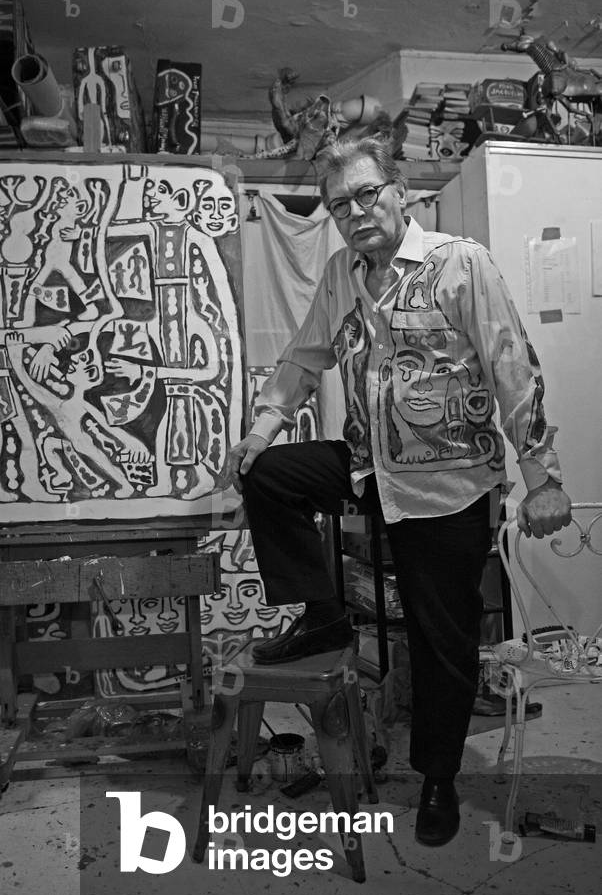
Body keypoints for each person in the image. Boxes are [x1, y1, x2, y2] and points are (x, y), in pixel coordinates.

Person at [228, 137, 572, 848]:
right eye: (338, 206)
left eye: (365, 195)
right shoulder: (340, 275)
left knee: (438, 642)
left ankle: (440, 778)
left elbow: (512, 364)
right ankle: (324, 614)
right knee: (268, 476)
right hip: (368, 468)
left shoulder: (460, 262)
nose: (354, 214)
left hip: (448, 488)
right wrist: (259, 431)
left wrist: (541, 476)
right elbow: (303, 357)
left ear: (400, 190)